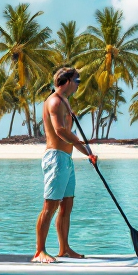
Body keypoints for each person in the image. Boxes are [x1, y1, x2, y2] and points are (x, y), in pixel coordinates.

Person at [33, 66, 97, 263]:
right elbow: (60, 131)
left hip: (66, 159)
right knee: (50, 205)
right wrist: (86, 149)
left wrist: (87, 154)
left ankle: (64, 248)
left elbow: (69, 133)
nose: (79, 85)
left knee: (67, 205)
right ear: (67, 81)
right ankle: (40, 251)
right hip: (56, 159)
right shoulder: (54, 102)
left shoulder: (64, 102)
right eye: (77, 81)